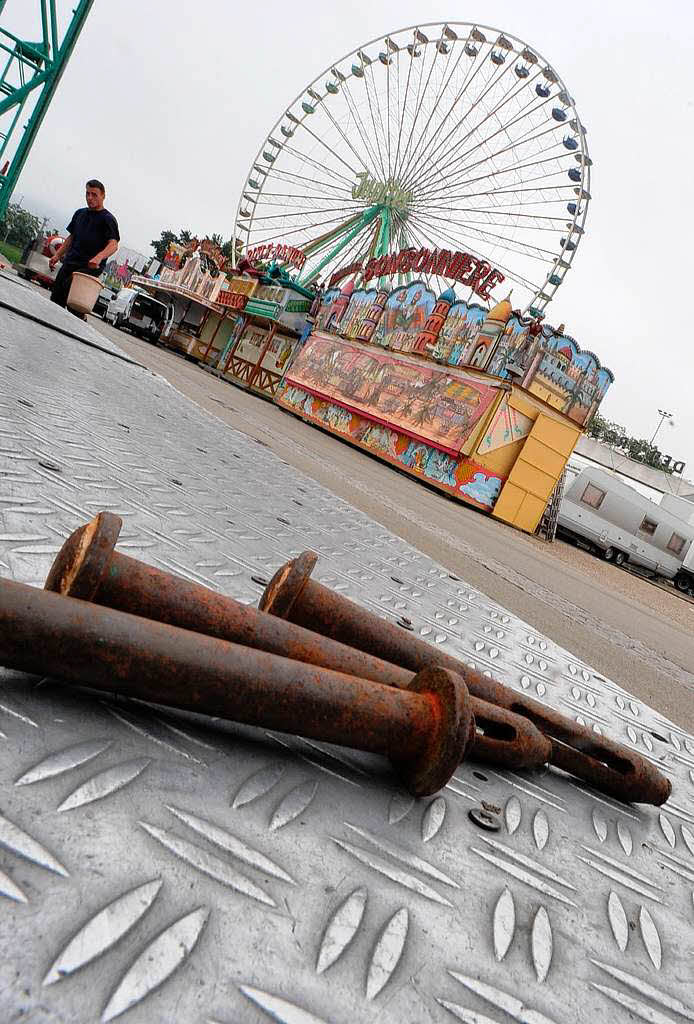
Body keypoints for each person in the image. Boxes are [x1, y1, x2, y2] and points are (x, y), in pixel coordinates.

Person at [49, 179, 120, 312]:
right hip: (71, 262)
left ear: (103, 195)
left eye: (94, 194)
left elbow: (113, 244)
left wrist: (99, 257)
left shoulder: (108, 219)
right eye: (87, 194)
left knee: (72, 298)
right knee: (55, 299)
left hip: (89, 267)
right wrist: (58, 255)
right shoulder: (80, 213)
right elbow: (71, 237)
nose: (89, 198)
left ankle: (79, 318)